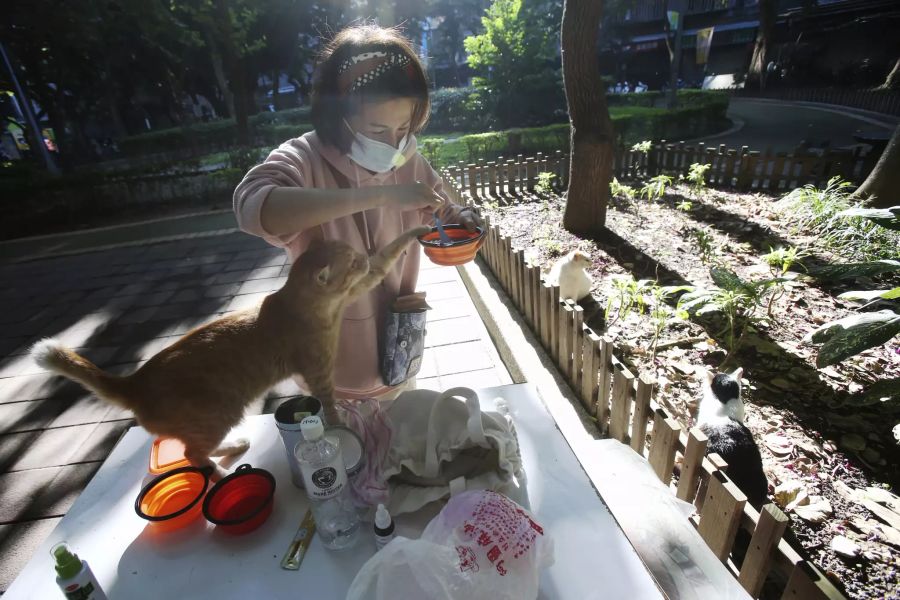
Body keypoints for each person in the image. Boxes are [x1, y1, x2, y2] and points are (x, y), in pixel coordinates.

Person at [233, 25, 479, 403]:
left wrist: (461, 219)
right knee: (344, 453)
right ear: (338, 116)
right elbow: (253, 209)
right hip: (329, 367)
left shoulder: (406, 158)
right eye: (378, 129)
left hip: (399, 350)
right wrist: (381, 196)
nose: (394, 144)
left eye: (404, 127)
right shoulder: (304, 158)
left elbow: (438, 210)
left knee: (403, 447)